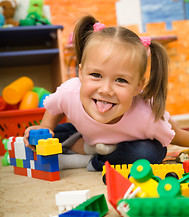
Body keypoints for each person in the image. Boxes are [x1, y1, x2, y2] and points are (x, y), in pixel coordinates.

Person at [24, 15, 189, 171]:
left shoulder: (147, 116)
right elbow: (55, 109)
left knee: (150, 152)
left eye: (121, 80)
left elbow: (177, 135)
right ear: (80, 73)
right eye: (96, 75)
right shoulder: (70, 91)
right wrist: (45, 128)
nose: (106, 90)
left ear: (138, 87)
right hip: (84, 134)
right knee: (58, 133)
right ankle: (86, 147)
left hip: (125, 145)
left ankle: (92, 161)